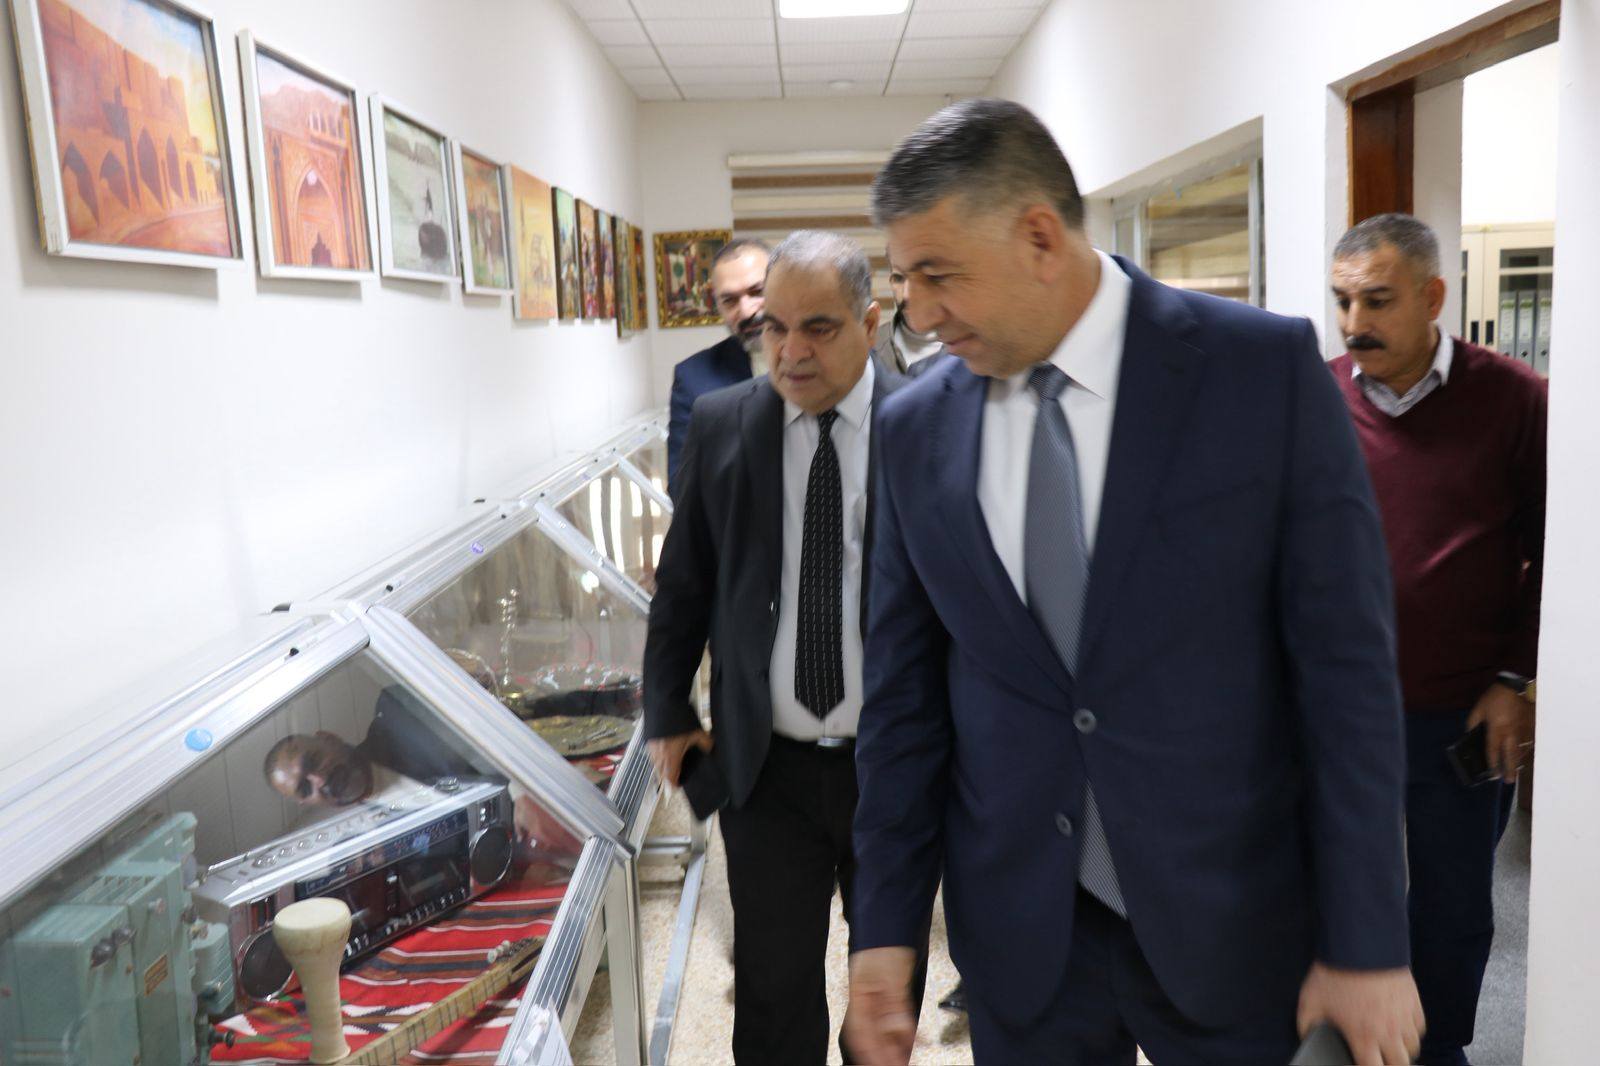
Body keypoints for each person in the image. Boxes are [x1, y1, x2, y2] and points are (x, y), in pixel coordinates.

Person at [843, 99, 1424, 1066]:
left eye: (938, 274)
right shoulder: (914, 430)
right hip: (1024, 937)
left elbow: (1347, 675)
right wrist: (882, 935)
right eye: (904, 280)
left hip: (1234, 923)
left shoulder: (1259, 371)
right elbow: (904, 707)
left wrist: (1367, 941)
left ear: (1039, 237)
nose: (919, 313)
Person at [643, 231, 923, 1064]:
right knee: (772, 995)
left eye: (820, 329)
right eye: (776, 327)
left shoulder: (926, 420)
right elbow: (684, 578)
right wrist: (668, 709)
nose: (791, 351)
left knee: (885, 1001)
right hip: (768, 770)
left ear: (869, 323)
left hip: (893, 768)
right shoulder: (727, 422)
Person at [1329, 213, 1545, 1066]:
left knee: (1452, 902)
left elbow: (1555, 551)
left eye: (1377, 301)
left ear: (1432, 298)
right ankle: (1348, 1039)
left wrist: (1515, 676)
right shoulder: (1318, 396)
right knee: (1339, 886)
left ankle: (1437, 1047)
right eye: (1343, 300)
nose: (1354, 323)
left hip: (1462, 711)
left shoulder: (1514, 399)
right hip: (1339, 711)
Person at [265, 686, 577, 859]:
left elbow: (488, 731)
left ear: (328, 738)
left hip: (563, 796)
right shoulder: (368, 846)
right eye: (305, 787)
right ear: (307, 802)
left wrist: (521, 790)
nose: (319, 779)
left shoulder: (399, 714)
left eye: (314, 760)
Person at [666, 238, 770, 496]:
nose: (746, 311)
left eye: (757, 292)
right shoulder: (693, 379)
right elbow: (683, 487)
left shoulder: (822, 359)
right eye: (730, 301)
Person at [885, 263, 948, 377]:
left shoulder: (970, 347)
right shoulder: (869, 347)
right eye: (899, 279)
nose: (906, 295)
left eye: (920, 279)